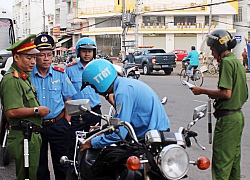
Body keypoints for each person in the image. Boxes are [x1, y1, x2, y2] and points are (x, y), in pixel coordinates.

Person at [190, 29, 248, 180]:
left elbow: (226, 93)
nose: (212, 52)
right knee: (234, 161)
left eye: (213, 49)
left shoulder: (227, 63)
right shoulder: (237, 62)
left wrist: (202, 90)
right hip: (237, 117)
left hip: (228, 120)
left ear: (220, 48)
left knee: (221, 162)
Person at [80, 59, 170, 151]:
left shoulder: (122, 93)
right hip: (155, 133)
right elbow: (121, 120)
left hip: (152, 139)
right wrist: (104, 130)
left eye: (93, 86)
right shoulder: (124, 84)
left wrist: (92, 142)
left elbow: (119, 134)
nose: (94, 90)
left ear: (99, 82)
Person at [0, 34, 50, 180]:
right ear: (16, 58)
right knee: (25, 176)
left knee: (31, 175)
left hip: (31, 136)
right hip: (23, 137)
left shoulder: (23, 77)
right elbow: (11, 111)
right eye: (29, 58)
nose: (33, 62)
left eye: (34, 58)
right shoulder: (12, 79)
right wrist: (37, 110)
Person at [31, 34, 77, 180]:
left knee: (62, 164)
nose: (45, 58)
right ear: (35, 57)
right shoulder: (28, 76)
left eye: (49, 55)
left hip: (58, 124)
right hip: (36, 127)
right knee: (39, 166)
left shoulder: (60, 74)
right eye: (41, 55)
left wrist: (67, 121)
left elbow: (68, 100)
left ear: (53, 56)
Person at [65, 37, 102, 159]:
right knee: (73, 144)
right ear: (78, 52)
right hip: (77, 114)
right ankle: (73, 168)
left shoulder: (99, 68)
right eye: (84, 51)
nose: (87, 54)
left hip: (94, 112)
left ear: (94, 53)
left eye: (90, 51)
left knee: (95, 143)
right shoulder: (70, 69)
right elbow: (65, 93)